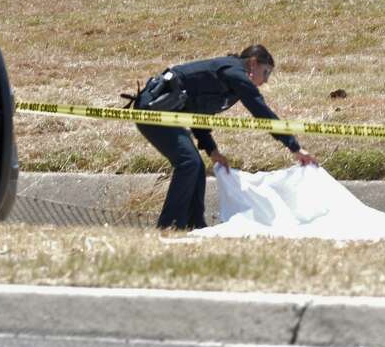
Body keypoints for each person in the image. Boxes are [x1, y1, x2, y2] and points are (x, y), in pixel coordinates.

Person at [134, 45, 317, 230]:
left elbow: (198, 113)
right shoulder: (233, 72)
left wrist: (212, 151)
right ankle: (170, 226)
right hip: (152, 110)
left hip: (168, 113)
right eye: (266, 72)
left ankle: (194, 225)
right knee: (189, 163)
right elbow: (260, 110)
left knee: (195, 166)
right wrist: (294, 147)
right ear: (253, 63)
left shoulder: (231, 81)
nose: (266, 81)